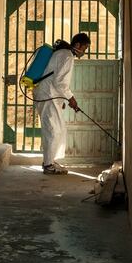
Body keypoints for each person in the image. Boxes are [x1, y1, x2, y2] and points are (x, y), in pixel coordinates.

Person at [33, 33, 91, 175]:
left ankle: (50, 161)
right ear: (77, 45)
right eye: (85, 48)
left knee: (56, 129)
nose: (84, 51)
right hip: (47, 96)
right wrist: (71, 98)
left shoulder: (62, 53)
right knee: (53, 130)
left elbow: (55, 79)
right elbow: (60, 82)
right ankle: (48, 165)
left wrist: (62, 100)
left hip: (49, 95)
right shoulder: (67, 56)